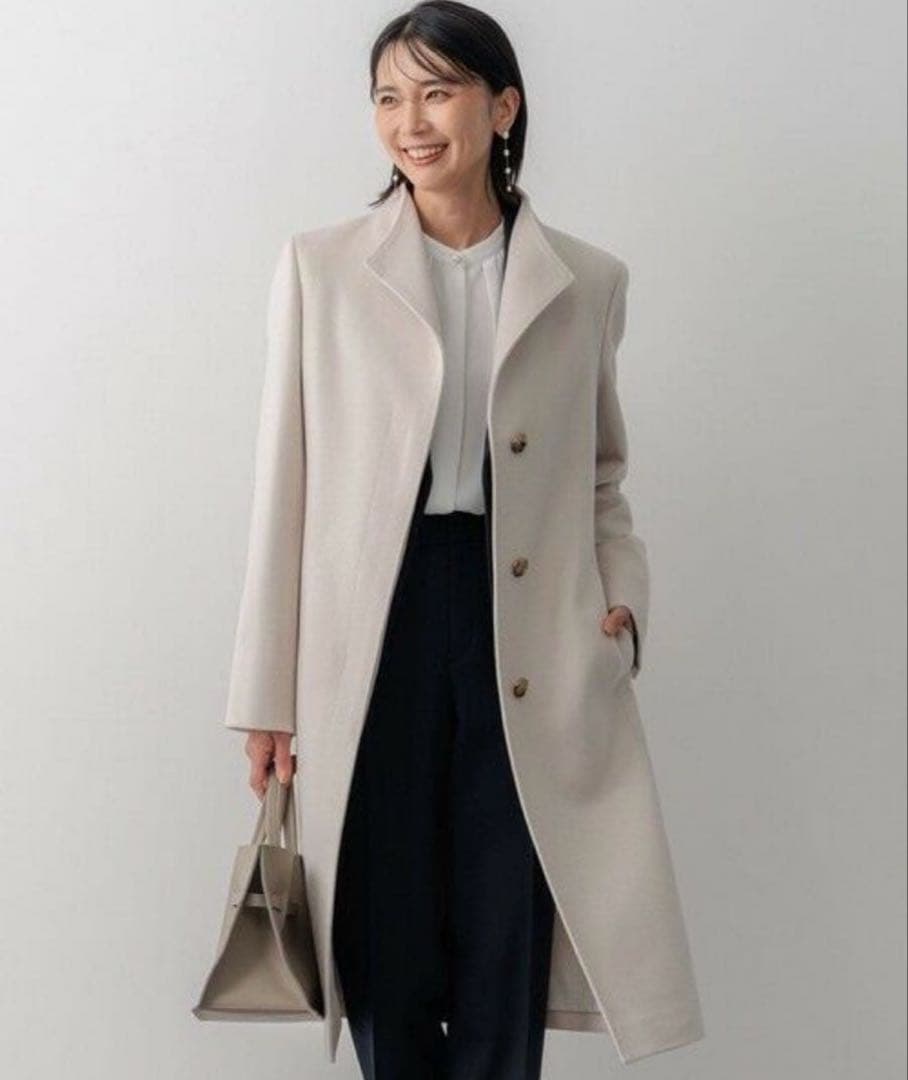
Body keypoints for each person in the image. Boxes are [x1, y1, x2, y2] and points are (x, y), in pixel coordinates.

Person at [226, 2, 705, 1076]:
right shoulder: (321, 269)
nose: (411, 122)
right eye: (388, 98)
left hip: (526, 618)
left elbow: (600, 475)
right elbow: (282, 489)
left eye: (437, 92)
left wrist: (620, 608)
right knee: (380, 918)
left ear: (502, 108)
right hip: (372, 623)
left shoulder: (585, 282)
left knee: (505, 914)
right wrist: (264, 693)